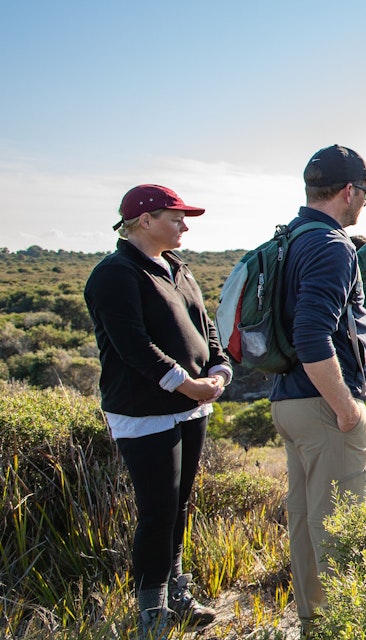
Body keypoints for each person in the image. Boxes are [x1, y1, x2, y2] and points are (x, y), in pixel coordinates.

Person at [84, 184, 229, 633]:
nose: (184, 225)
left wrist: (220, 372)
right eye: (175, 217)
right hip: (144, 411)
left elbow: (207, 330)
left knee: (180, 505)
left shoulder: (178, 268)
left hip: (190, 408)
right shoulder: (115, 273)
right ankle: (153, 614)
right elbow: (132, 345)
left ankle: (177, 594)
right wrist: (185, 384)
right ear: (144, 221)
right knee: (157, 510)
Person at [269, 144, 366, 630]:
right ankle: (345, 622)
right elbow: (312, 334)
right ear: (349, 191)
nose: (364, 203)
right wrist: (347, 407)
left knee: (306, 518)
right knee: (339, 522)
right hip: (323, 404)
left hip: (289, 399)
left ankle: (315, 619)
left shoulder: (289, 237)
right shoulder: (332, 246)